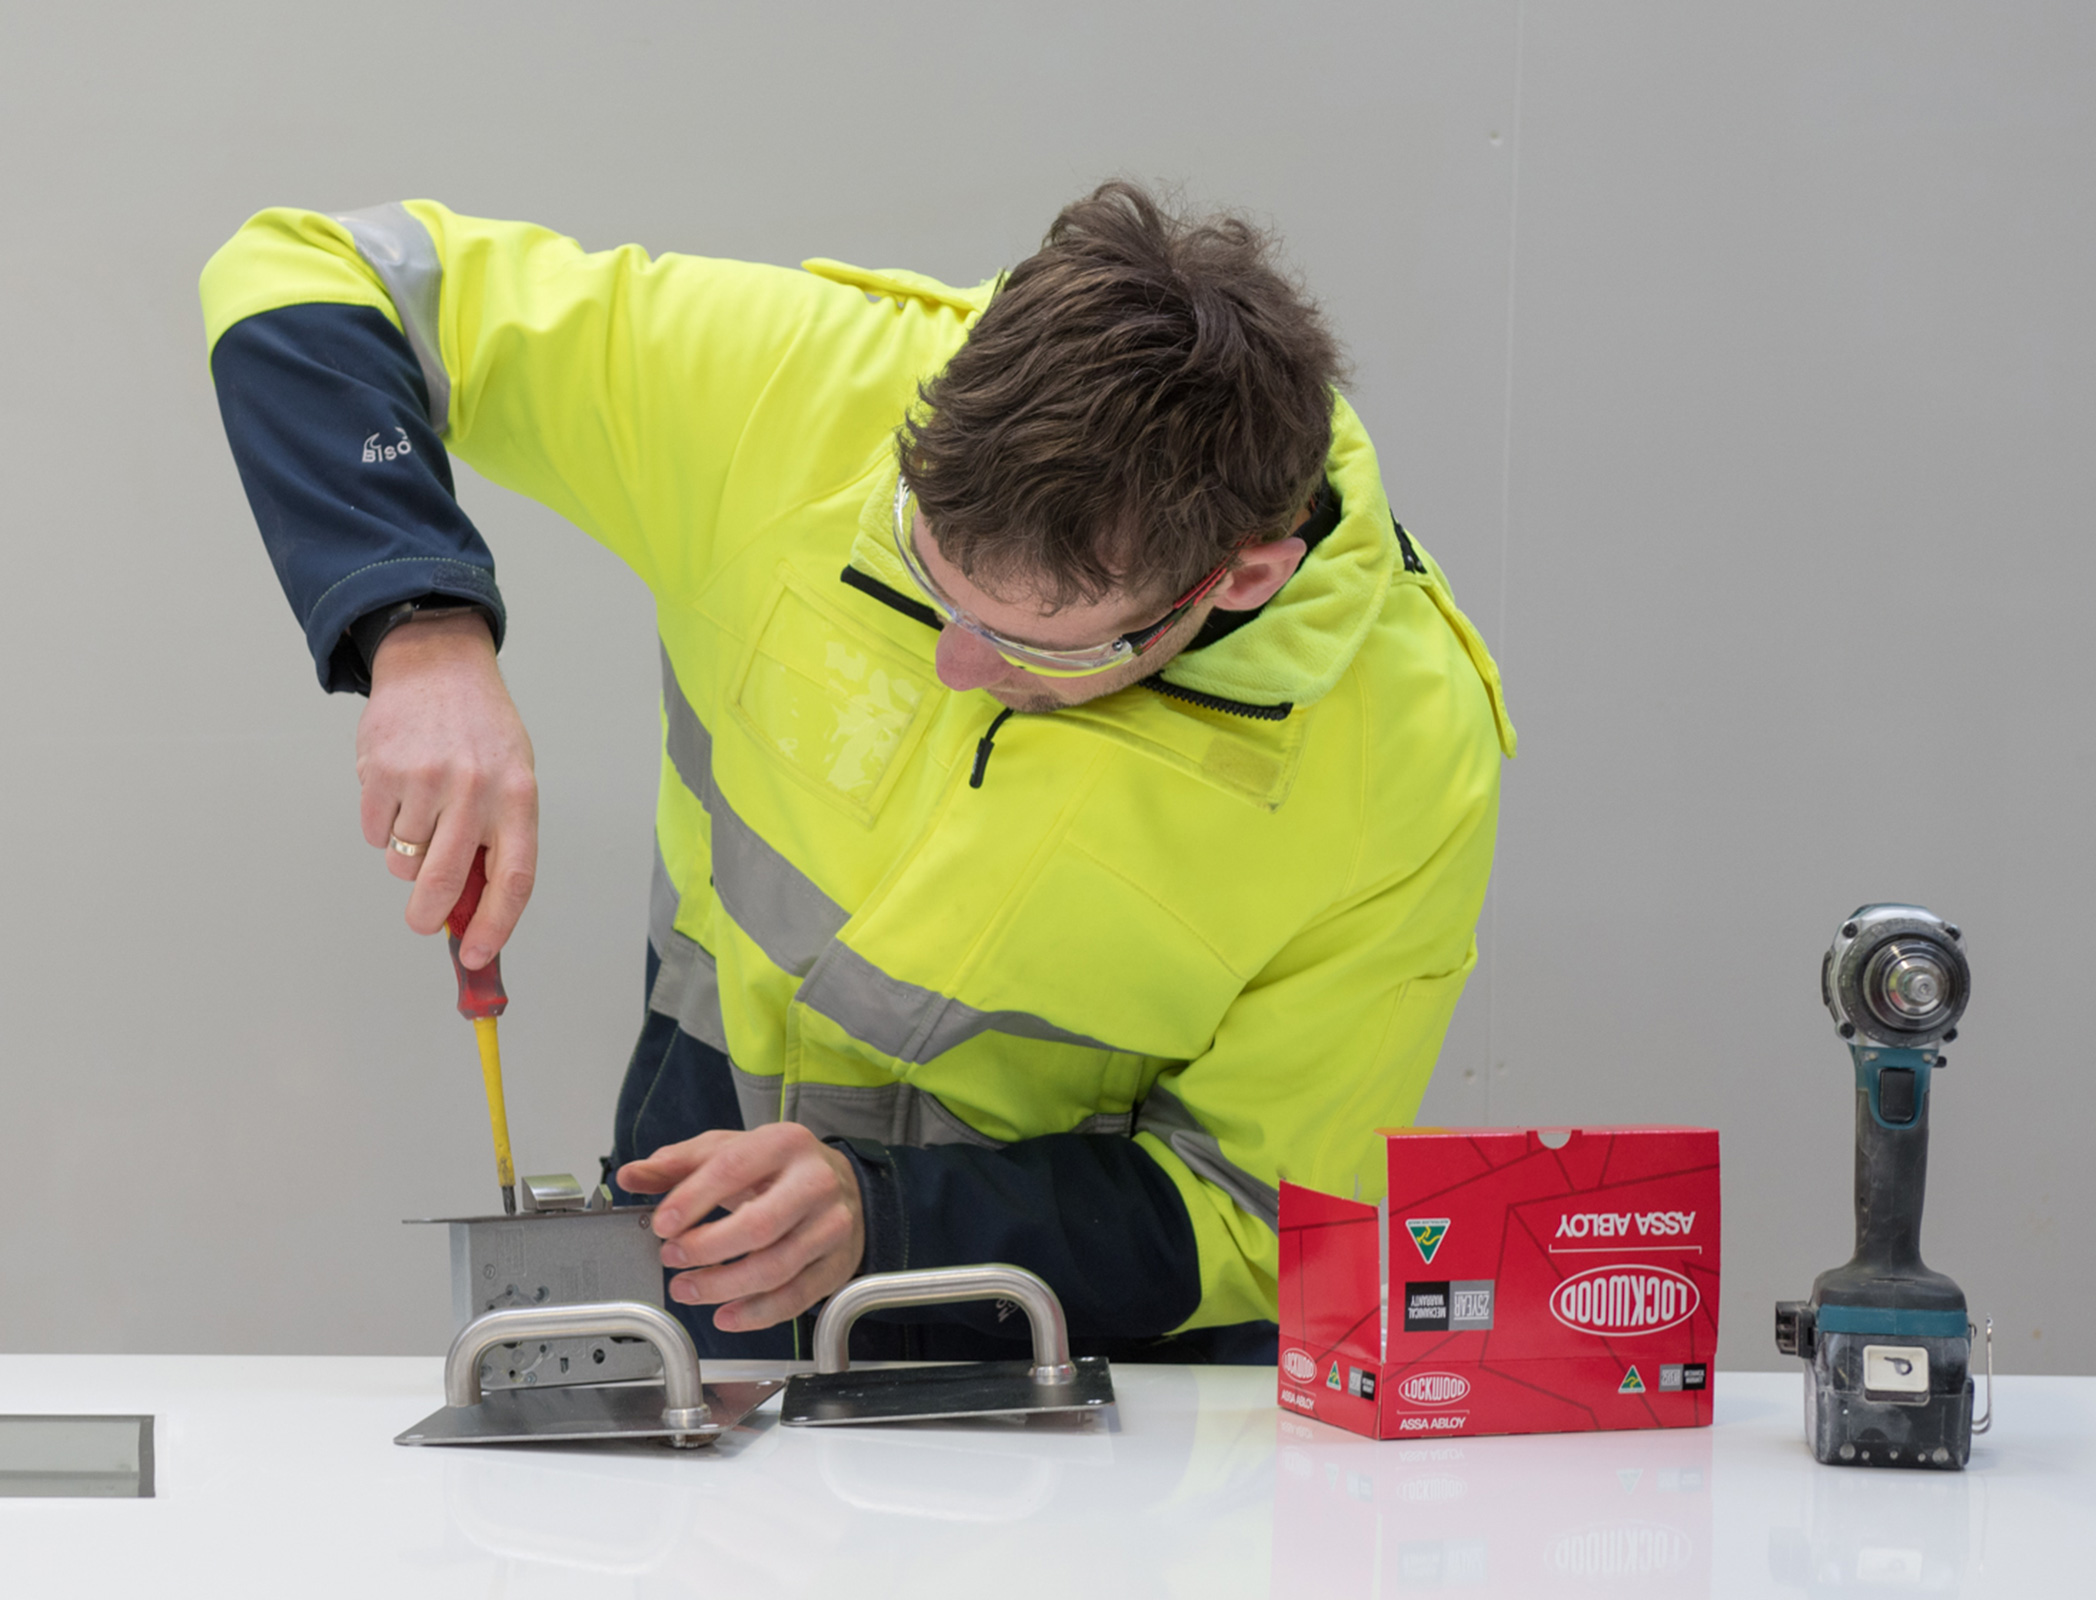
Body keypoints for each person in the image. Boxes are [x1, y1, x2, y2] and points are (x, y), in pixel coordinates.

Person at [199, 182, 1513, 1364]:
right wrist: (419, 632)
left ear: (1238, 581)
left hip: (1077, 1348)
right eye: (917, 573)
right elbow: (317, 267)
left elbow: (1253, 1208)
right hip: (703, 1208)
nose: (953, 664)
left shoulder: (1405, 751)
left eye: (1025, 646)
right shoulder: (807, 388)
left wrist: (884, 1213)